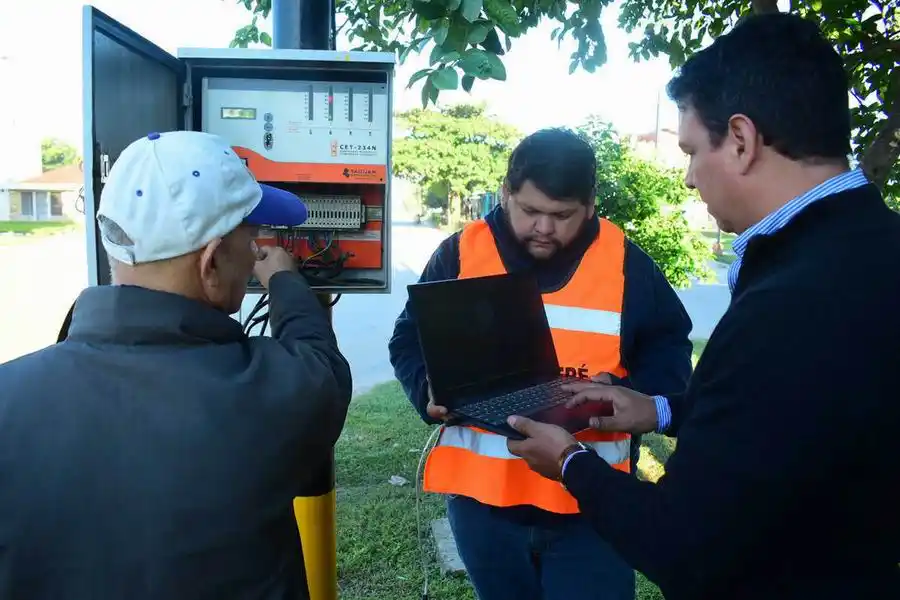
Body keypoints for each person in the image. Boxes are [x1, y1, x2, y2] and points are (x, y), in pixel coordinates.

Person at [503, 13, 900, 600]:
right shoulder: (874, 251)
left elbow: (683, 547)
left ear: (740, 140)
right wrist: (661, 409)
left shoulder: (790, 303)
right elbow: (787, 421)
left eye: (691, 151)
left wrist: (569, 462)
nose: (689, 179)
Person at [0, 131, 353, 599]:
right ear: (211, 263)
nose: (254, 254)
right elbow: (321, 366)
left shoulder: (9, 396)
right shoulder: (266, 398)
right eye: (250, 239)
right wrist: (285, 282)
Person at [389, 128, 694, 600]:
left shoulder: (625, 264)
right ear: (506, 192)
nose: (544, 228)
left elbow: (669, 349)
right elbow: (408, 338)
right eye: (530, 211)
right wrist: (425, 387)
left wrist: (633, 390)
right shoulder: (461, 253)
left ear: (590, 205)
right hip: (484, 510)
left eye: (561, 215)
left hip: (591, 510)